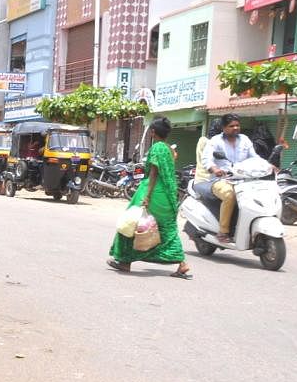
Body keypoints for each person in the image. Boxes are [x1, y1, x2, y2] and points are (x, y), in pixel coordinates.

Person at [108, 117, 192, 278]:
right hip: (167, 195)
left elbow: (154, 173)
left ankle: (125, 261)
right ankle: (182, 264)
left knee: (131, 225)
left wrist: (147, 196)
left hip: (154, 192)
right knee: (167, 231)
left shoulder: (157, 148)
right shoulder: (169, 149)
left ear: (153, 132)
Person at [206, 113, 260, 244]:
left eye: (237, 125)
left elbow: (254, 157)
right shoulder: (215, 141)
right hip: (221, 180)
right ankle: (223, 232)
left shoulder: (245, 140)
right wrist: (215, 169)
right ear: (224, 128)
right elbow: (207, 159)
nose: (235, 128)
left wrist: (266, 165)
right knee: (229, 195)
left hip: (243, 179)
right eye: (231, 126)